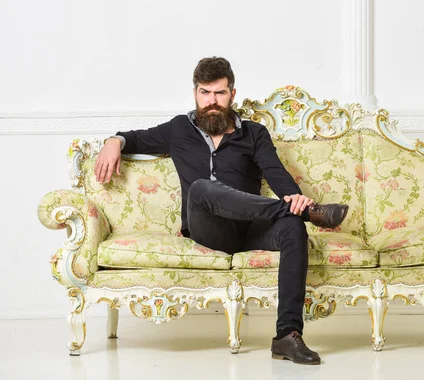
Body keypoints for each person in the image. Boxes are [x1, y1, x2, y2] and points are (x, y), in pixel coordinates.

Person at [94, 57, 349, 365]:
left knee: (293, 229)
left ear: (232, 94)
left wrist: (294, 197)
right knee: (202, 188)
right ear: (195, 94)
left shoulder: (254, 133)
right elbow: (134, 138)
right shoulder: (178, 129)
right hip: (209, 230)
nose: (212, 101)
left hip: (253, 227)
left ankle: (287, 336)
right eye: (205, 93)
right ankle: (298, 212)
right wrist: (113, 141)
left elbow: (275, 171)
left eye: (219, 93)